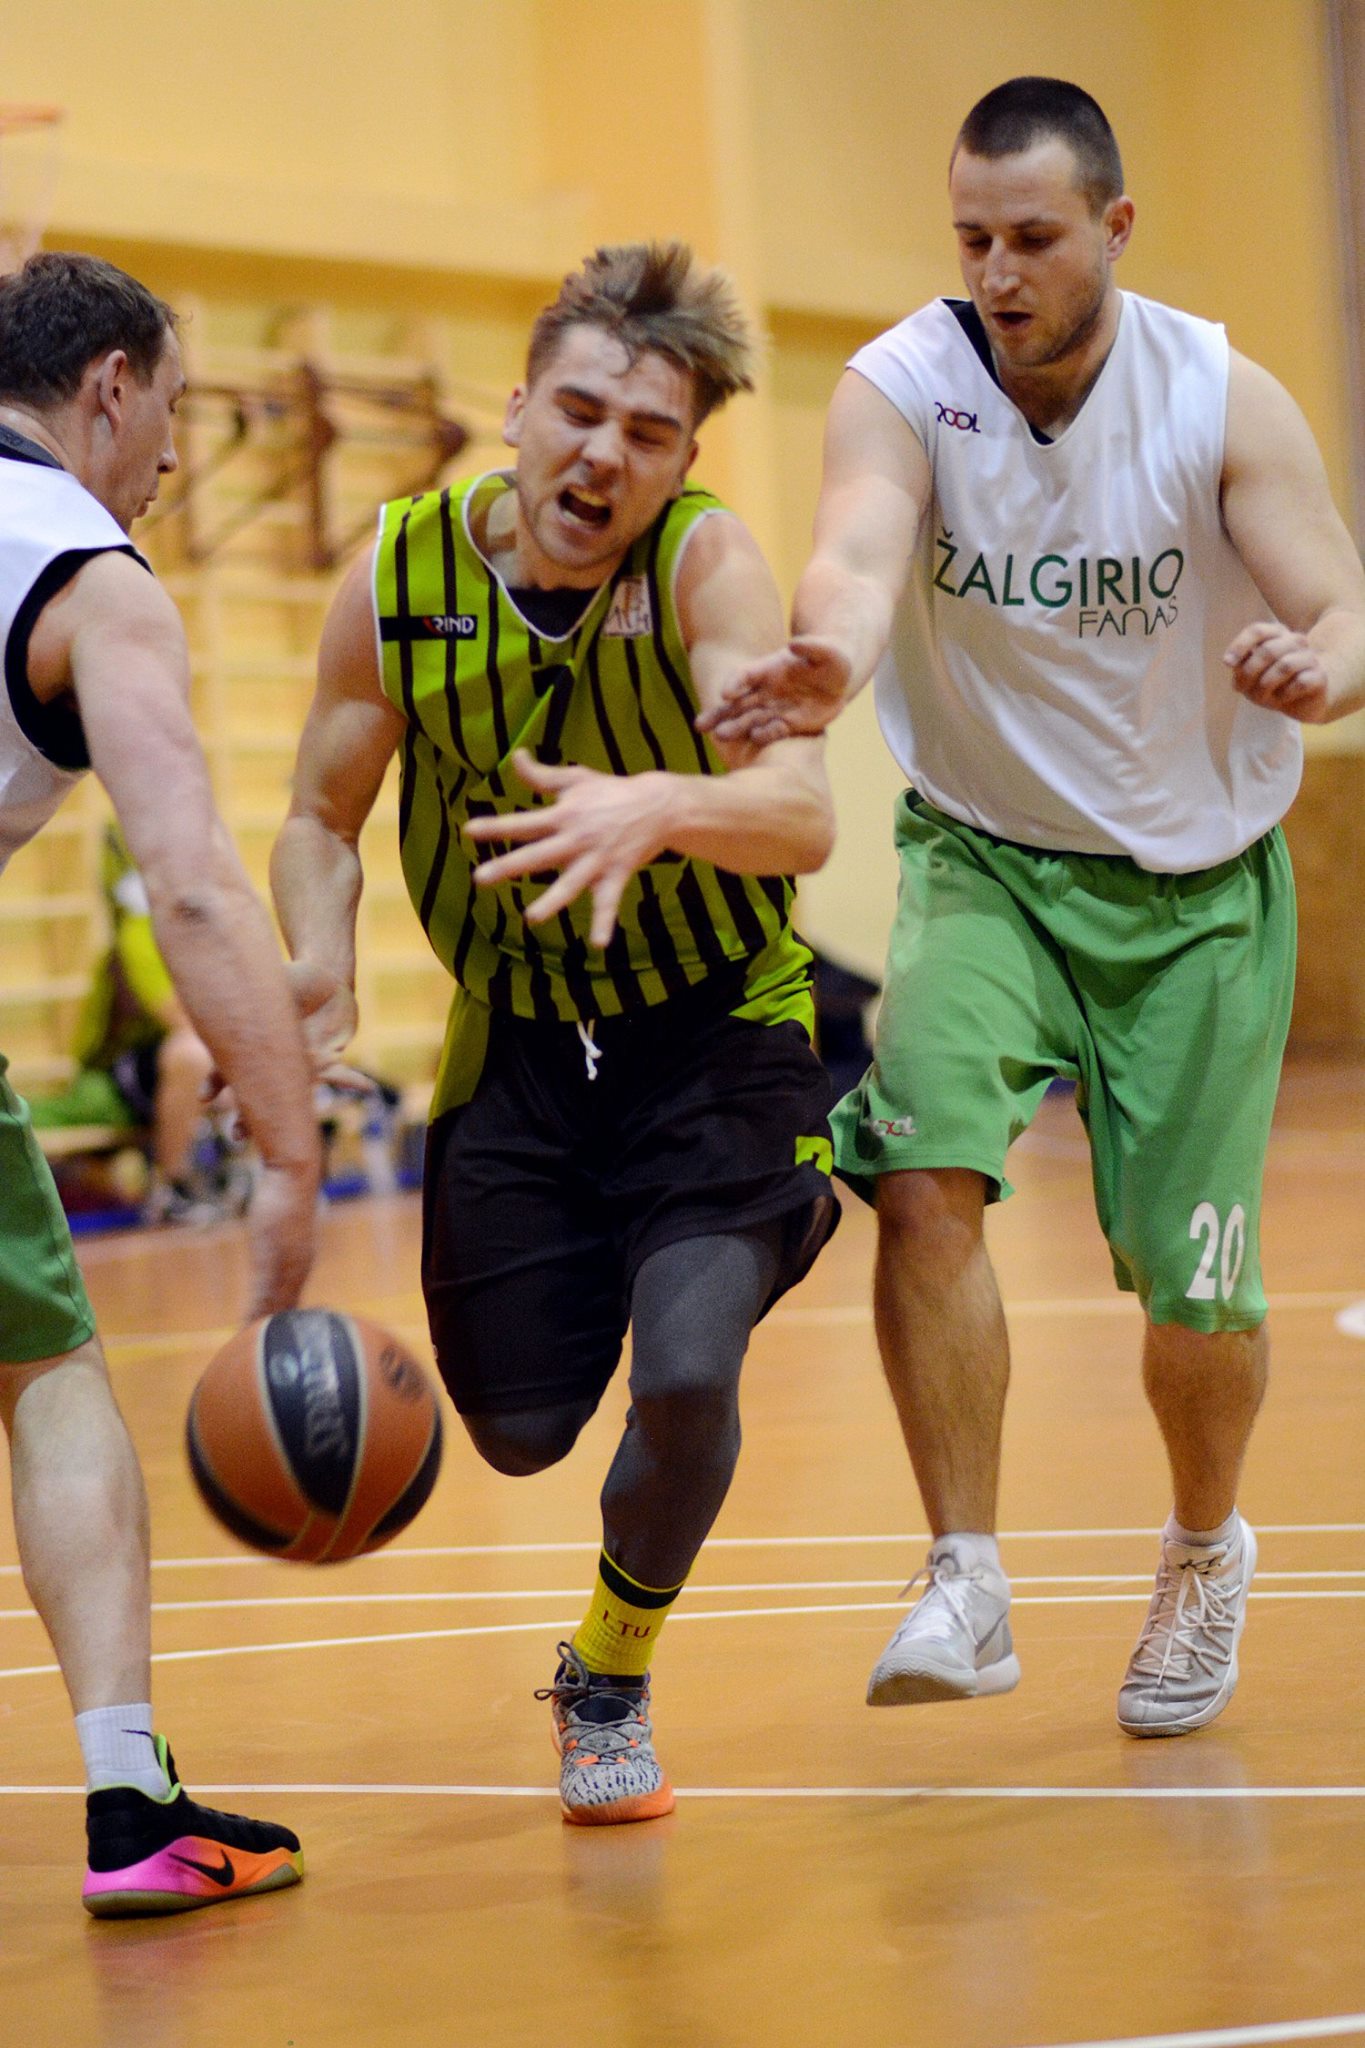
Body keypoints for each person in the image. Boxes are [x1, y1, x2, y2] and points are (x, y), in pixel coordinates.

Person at [700, 78, 1365, 1736]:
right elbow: (860, 550)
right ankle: (966, 1571)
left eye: (1033, 238)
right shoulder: (906, 386)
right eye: (972, 238)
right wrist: (830, 654)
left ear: (1115, 228)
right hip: (984, 858)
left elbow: (1342, 601)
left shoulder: (1217, 396)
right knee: (919, 1171)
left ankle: (1204, 1546)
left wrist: (1324, 667)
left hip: (1195, 895)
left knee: (1194, 1291)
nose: (996, 272)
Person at [272, 241, 838, 1823]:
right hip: (518, 1042)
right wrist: (317, 965)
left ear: (683, 459)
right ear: (516, 409)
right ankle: (652, 1248)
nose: (603, 456)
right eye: (580, 413)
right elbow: (319, 815)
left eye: (648, 434)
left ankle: (609, 1673)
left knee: (687, 1374)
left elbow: (800, 815)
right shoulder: (398, 579)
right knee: (518, 1434)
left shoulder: (705, 573)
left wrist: (661, 805)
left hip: (716, 1028)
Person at [0, 251, 322, 1911]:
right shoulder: (85, 570)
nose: (179, 452)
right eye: (175, 407)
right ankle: (129, 1804)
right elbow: (190, 882)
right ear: (110, 387)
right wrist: (289, 1149)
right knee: (49, 1376)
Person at [29, 822, 250, 1225]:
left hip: (175, 1065)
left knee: (260, 1050)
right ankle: (172, 1189)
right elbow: (182, 1019)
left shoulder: (217, 929)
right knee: (194, 1053)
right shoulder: (141, 929)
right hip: (119, 1073)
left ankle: (248, 1176)